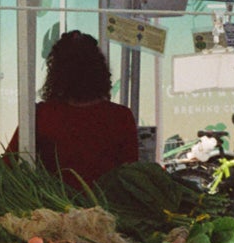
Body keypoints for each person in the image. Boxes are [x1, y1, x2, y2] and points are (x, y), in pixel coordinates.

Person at [12, 30, 140, 185]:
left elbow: (8, 165)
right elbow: (132, 174)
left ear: (57, 74)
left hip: (51, 207)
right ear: (100, 71)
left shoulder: (40, 116)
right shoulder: (120, 117)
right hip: (108, 206)